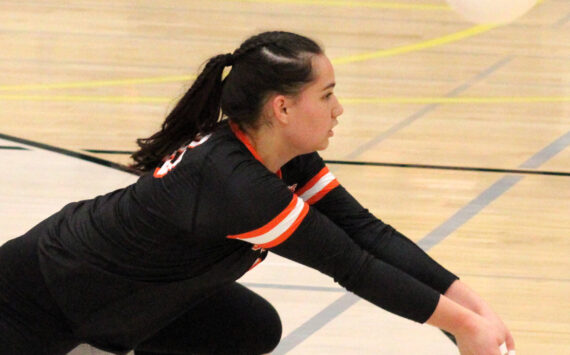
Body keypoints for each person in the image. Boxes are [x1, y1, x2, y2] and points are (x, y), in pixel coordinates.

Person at [0, 31, 515, 355]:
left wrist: (472, 308)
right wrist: (463, 327)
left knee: (246, 328)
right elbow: (352, 265)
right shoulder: (236, 185)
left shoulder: (279, 156)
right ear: (282, 109)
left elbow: (366, 233)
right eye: (328, 94)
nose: (339, 110)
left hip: (116, 296)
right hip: (36, 298)